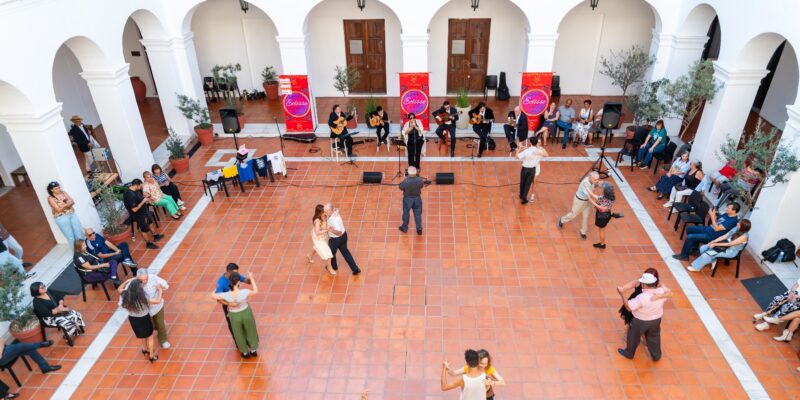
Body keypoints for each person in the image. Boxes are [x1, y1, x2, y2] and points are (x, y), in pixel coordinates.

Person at [617, 271, 672, 361]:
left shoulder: (642, 297)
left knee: (633, 338)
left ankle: (629, 353)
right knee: (654, 338)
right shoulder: (661, 292)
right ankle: (656, 356)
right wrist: (658, 297)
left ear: (644, 285)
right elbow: (670, 293)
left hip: (640, 322)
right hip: (656, 320)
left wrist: (622, 295)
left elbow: (629, 308)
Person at [211, 272, 259, 358]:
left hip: (234, 315)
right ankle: (253, 350)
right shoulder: (244, 292)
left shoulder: (226, 295)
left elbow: (213, 296)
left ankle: (244, 352)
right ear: (238, 282)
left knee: (238, 333)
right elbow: (255, 291)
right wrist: (251, 278)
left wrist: (216, 288)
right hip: (246, 312)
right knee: (250, 330)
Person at [672, 202, 740, 261]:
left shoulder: (732, 221)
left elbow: (717, 228)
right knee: (689, 229)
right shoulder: (727, 214)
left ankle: (684, 256)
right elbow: (717, 220)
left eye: (728, 208)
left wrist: (712, 217)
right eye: (727, 207)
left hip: (713, 236)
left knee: (690, 237)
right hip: (709, 229)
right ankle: (694, 249)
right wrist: (713, 214)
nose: (726, 209)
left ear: (734, 211)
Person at [123, 269, 171, 349]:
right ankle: (157, 327)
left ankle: (163, 340)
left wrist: (162, 287)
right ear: (137, 277)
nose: (144, 281)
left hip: (157, 307)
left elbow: (165, 285)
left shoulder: (153, 278)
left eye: (146, 279)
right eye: (142, 280)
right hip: (144, 312)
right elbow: (125, 294)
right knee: (151, 326)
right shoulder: (133, 284)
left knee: (160, 325)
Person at [118, 279, 158, 362]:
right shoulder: (143, 297)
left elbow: (119, 289)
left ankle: (144, 349)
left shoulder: (125, 294)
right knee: (150, 336)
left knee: (142, 335)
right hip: (144, 318)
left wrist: (126, 281)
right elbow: (157, 301)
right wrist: (160, 290)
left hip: (133, 319)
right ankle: (151, 355)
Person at [214, 263, 252, 344]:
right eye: (235, 272)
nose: (237, 274)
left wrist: (250, 279)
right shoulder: (221, 282)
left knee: (243, 321)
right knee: (233, 325)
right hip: (229, 307)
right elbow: (218, 298)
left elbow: (246, 281)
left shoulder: (235, 275)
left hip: (239, 302)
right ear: (229, 272)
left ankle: (247, 340)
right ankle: (238, 343)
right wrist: (229, 304)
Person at [557, 171, 601, 239]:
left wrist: (598, 184)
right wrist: (598, 202)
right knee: (573, 214)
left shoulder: (592, 181)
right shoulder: (585, 184)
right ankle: (562, 220)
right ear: (590, 177)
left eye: (598, 179)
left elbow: (594, 186)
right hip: (580, 201)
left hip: (587, 201)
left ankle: (583, 232)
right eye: (595, 180)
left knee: (586, 216)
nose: (597, 181)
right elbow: (589, 196)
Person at [123, 179, 163, 250]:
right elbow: (134, 209)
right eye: (140, 186)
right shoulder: (129, 195)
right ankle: (148, 243)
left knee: (150, 222)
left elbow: (140, 197)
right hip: (139, 215)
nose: (141, 187)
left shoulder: (136, 189)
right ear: (136, 185)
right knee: (144, 229)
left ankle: (155, 235)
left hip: (144, 210)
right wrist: (143, 201)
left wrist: (145, 195)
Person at [325, 203, 361, 275]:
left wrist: (330, 230)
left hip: (336, 239)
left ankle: (334, 267)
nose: (324, 212)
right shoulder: (335, 212)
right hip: (344, 237)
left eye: (325, 211)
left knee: (331, 253)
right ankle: (355, 269)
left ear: (330, 210)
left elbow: (339, 233)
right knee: (346, 252)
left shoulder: (334, 220)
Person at [47, 181, 85, 246]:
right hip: (61, 218)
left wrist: (63, 206)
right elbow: (58, 210)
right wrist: (67, 204)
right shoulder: (50, 198)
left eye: (59, 187)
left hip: (71, 214)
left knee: (79, 232)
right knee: (70, 236)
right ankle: (76, 253)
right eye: (56, 188)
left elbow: (72, 201)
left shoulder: (63, 193)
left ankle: (85, 249)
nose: (58, 189)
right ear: (51, 190)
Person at [588, 182, 620, 249]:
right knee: (603, 229)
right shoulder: (612, 197)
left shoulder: (603, 198)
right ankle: (602, 243)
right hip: (607, 214)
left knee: (601, 230)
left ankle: (602, 244)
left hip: (602, 216)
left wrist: (591, 199)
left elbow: (593, 196)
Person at [516, 136, 548, 204]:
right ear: (537, 143)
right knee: (528, 184)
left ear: (530, 142)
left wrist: (519, 148)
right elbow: (546, 155)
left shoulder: (527, 151)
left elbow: (516, 157)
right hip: (533, 169)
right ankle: (524, 198)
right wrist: (541, 148)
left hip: (525, 169)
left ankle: (521, 195)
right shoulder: (539, 151)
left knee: (522, 182)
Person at [307, 204, 335, 276]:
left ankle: (309, 256)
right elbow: (317, 232)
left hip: (323, 237)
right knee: (327, 252)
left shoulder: (325, 216)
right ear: (319, 212)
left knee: (317, 247)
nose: (325, 212)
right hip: (318, 238)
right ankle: (329, 267)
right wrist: (327, 230)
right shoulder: (317, 221)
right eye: (323, 211)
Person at [398, 166, 424, 235]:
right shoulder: (420, 180)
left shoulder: (406, 181)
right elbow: (421, 186)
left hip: (407, 199)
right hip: (417, 199)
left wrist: (404, 179)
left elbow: (400, 187)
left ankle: (404, 228)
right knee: (418, 214)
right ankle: (419, 229)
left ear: (408, 173)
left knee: (406, 213)